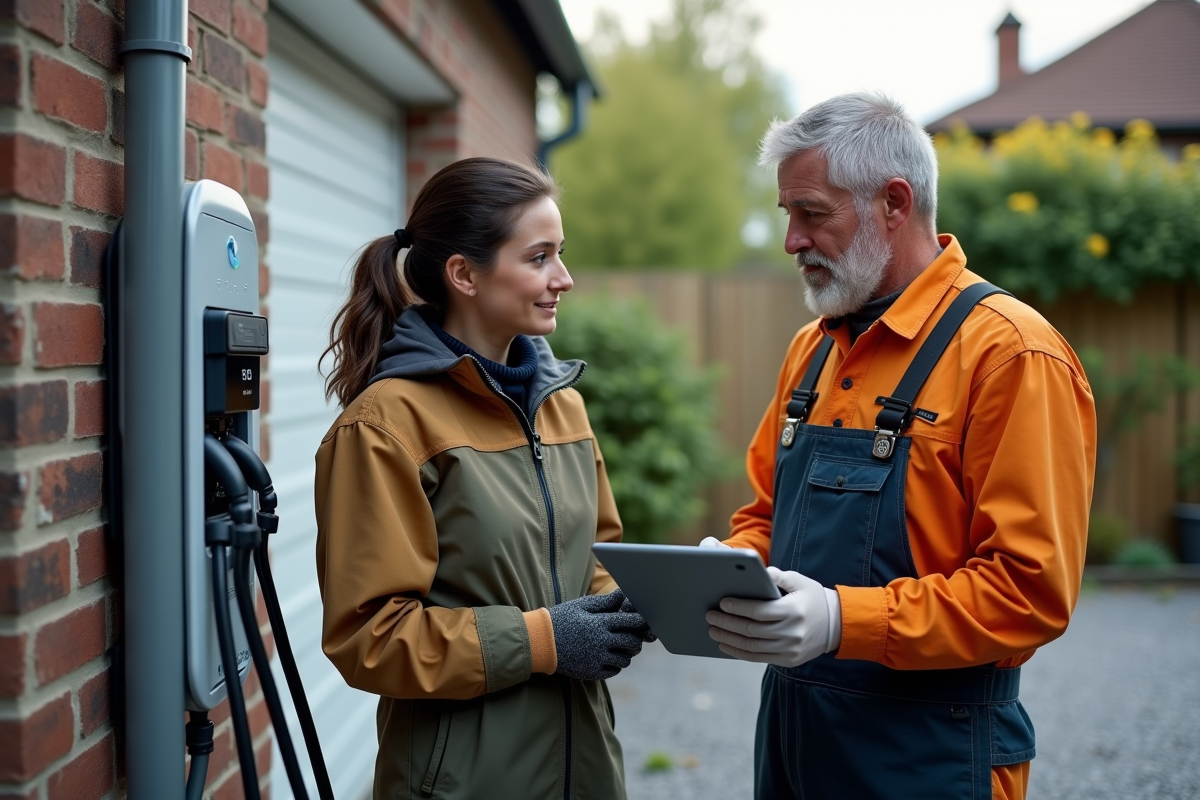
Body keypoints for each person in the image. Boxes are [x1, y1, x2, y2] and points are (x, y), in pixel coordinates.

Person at [702, 93, 1096, 800]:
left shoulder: (1011, 355)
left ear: (894, 202)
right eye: (787, 213)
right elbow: (765, 512)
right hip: (794, 741)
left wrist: (838, 621)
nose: (791, 239)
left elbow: (1029, 594)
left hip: (933, 752)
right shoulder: (812, 352)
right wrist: (737, 568)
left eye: (811, 213)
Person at [313, 157, 652, 800]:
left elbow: (596, 561)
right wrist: (543, 640)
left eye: (562, 254)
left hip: (587, 769)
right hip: (462, 781)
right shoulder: (387, 427)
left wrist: (646, 601)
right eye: (540, 257)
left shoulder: (564, 408)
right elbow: (371, 637)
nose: (565, 278)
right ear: (464, 274)